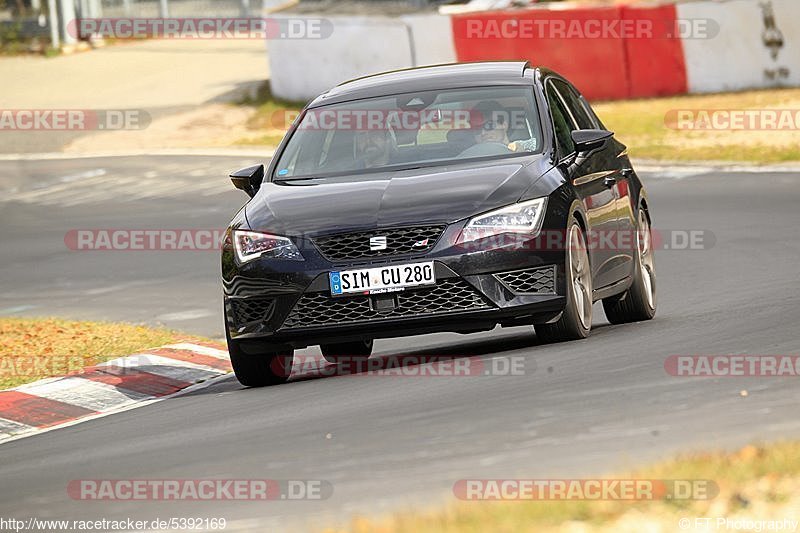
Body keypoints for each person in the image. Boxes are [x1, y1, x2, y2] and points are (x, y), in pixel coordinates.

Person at [471, 100, 538, 153]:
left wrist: (523, 156)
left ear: (504, 125)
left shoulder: (532, 150)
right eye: (477, 128)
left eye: (489, 125)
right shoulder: (466, 160)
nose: (483, 133)